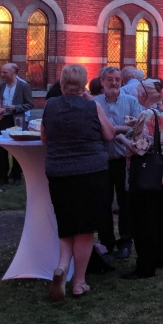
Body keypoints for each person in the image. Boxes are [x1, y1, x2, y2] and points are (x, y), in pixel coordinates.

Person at [42, 64, 114, 300]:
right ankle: (79, 283)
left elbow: (44, 137)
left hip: (58, 172)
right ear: (84, 84)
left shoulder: (50, 105)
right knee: (84, 229)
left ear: (62, 83)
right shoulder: (92, 105)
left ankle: (62, 267)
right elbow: (109, 134)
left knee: (66, 225)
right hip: (90, 172)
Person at [117, 78, 163, 278]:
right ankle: (160, 257)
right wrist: (137, 125)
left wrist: (121, 138)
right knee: (159, 217)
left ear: (143, 94)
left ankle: (145, 266)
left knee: (143, 220)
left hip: (147, 173)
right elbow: (159, 133)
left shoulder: (147, 113)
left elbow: (140, 148)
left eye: (138, 93)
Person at [93, 66, 142, 260]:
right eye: (110, 79)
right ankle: (106, 241)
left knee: (125, 203)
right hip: (101, 161)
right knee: (103, 203)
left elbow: (139, 129)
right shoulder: (94, 103)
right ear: (102, 81)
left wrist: (113, 129)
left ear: (122, 81)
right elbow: (92, 129)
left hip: (124, 159)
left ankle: (125, 242)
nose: (114, 83)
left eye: (117, 79)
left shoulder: (132, 102)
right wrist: (118, 129)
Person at [0, 63, 34, 186]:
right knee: (0, 147)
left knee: (17, 147)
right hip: (3, 118)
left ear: (13, 73)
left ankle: (17, 176)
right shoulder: (1, 85)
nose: (2, 74)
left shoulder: (23, 86)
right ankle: (3, 176)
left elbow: (30, 104)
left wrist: (15, 107)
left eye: (5, 72)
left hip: (17, 120)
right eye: (1, 72)